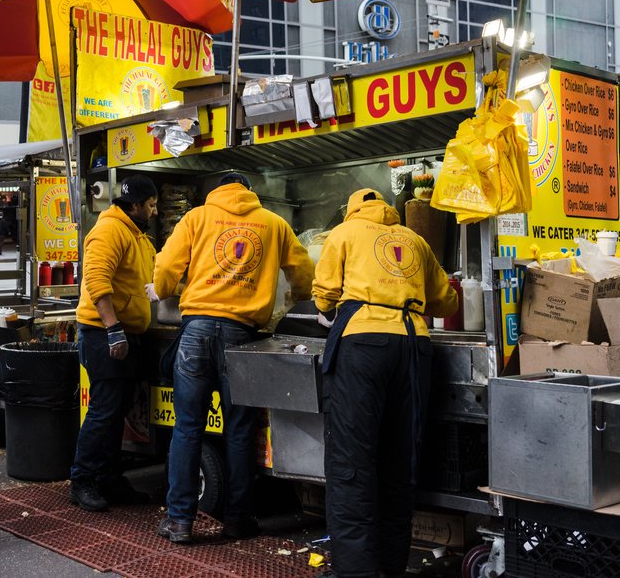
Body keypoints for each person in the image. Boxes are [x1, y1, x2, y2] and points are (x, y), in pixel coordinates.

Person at [153, 172, 314, 544]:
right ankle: (239, 520)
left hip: (195, 334)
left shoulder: (196, 218)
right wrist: (297, 295)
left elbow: (164, 273)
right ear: (249, 192)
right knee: (240, 430)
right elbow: (303, 271)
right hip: (243, 338)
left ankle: (179, 521)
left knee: (188, 427)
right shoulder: (273, 223)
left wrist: (163, 290)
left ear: (216, 192)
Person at [313, 189, 458, 577]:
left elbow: (324, 295)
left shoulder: (343, 234)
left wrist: (334, 308)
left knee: (352, 462)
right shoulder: (415, 240)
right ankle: (391, 567)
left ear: (353, 208)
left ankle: (356, 571)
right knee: (400, 461)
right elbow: (446, 301)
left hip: (363, 347)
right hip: (415, 347)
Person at [69, 175, 157, 513]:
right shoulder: (109, 230)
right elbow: (96, 280)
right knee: (104, 410)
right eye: (150, 205)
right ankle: (82, 480)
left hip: (123, 332)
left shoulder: (135, 235)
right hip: (101, 332)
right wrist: (113, 329)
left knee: (116, 411)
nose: (154, 210)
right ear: (135, 205)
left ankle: (108, 478)